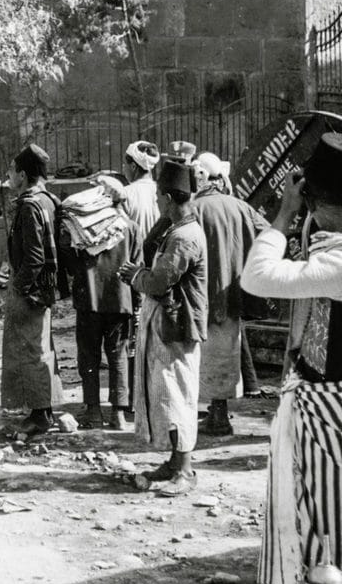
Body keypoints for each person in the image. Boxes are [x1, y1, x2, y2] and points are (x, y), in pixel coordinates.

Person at [239, 135, 342, 584]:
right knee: (312, 533)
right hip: (320, 401)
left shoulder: (338, 260)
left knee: (324, 539)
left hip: (330, 407)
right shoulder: (330, 250)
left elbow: (257, 277)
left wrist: (281, 218)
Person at [120, 158, 208, 496]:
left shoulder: (185, 237)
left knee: (177, 397)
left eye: (159, 197)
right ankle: (173, 462)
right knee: (166, 394)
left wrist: (135, 276)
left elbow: (158, 281)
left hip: (178, 328)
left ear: (169, 198)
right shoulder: (176, 229)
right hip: (167, 325)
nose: (156, 201)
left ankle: (184, 470)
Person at [193, 150, 269, 436]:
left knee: (203, 353)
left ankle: (217, 414)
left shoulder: (194, 209)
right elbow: (269, 234)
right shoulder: (241, 207)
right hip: (233, 292)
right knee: (225, 349)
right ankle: (218, 410)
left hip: (201, 294)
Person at [1, 144, 62, 434]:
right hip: (46, 289)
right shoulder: (49, 200)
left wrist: (19, 287)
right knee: (41, 348)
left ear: (23, 175)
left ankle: (39, 415)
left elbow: (35, 257)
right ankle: (44, 408)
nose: (9, 177)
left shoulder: (28, 205)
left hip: (32, 291)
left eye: (11, 172)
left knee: (30, 352)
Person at [62, 200, 138, 430]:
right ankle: (118, 414)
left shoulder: (79, 227)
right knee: (118, 357)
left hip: (89, 301)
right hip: (120, 300)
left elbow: (70, 264)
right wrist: (137, 303)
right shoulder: (131, 227)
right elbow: (138, 264)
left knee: (88, 357)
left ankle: (93, 411)